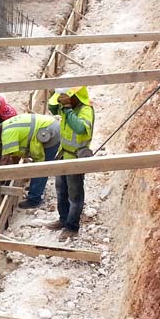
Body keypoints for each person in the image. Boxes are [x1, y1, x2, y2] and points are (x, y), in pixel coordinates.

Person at [47, 87, 95, 237]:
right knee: (61, 190)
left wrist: (68, 109)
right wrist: (54, 96)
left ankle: (72, 227)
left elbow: (80, 128)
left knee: (75, 195)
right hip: (63, 155)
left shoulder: (85, 110)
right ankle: (63, 219)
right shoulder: (66, 108)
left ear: (74, 96)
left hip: (75, 158)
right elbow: (52, 109)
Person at [0, 112, 61, 209]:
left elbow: (4, 161)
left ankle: (34, 199)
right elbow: (14, 156)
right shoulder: (6, 126)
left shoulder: (7, 134)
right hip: (48, 127)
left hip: (50, 133)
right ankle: (35, 187)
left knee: (42, 168)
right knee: (38, 165)